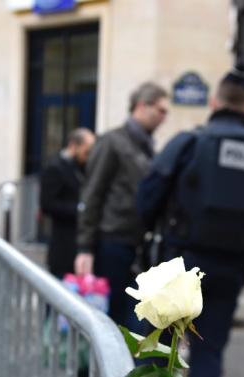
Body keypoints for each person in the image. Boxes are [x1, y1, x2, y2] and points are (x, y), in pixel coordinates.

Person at [137, 66, 244, 377]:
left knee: (158, 347)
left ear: (214, 102)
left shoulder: (189, 142)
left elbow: (147, 198)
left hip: (181, 265)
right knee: (209, 352)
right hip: (232, 268)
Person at [74, 82, 169, 330]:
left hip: (137, 246)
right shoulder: (112, 142)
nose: (164, 117)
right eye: (160, 110)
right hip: (111, 243)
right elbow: (92, 193)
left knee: (132, 321)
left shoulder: (147, 147)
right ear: (141, 106)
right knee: (112, 320)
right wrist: (85, 247)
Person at [40, 128, 96, 279]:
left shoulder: (81, 167)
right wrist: (79, 209)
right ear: (73, 145)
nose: (88, 155)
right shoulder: (55, 167)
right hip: (63, 244)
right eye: (86, 151)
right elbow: (47, 204)